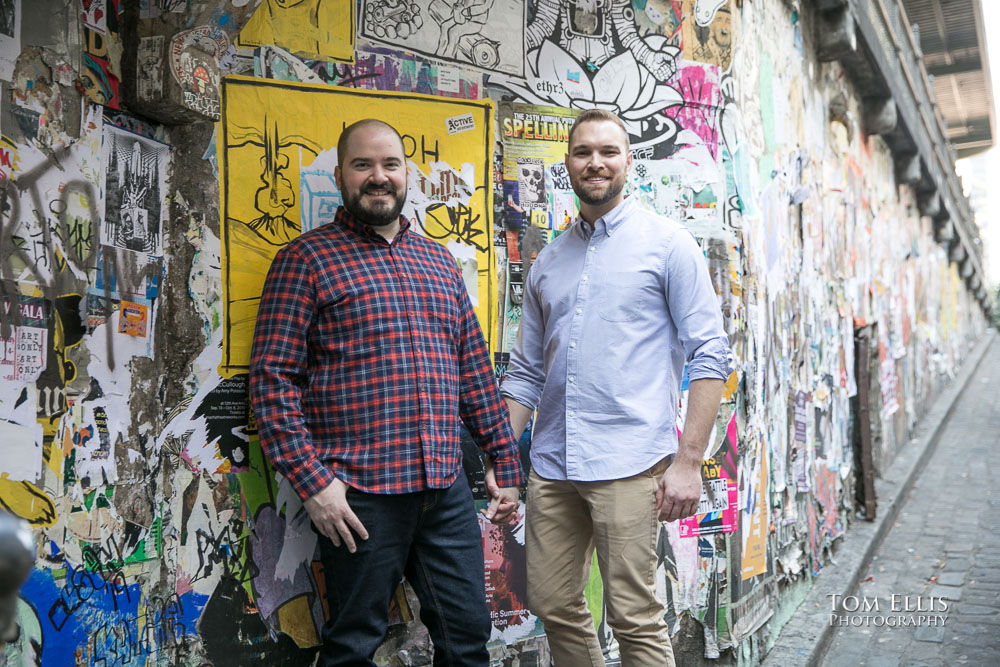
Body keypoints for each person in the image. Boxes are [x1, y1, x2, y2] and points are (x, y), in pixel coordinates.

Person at [250, 118, 524, 667]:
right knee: (354, 644)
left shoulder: (440, 263)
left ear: (407, 175)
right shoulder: (306, 260)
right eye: (363, 165)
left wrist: (504, 462)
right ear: (341, 176)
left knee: (468, 637)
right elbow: (272, 384)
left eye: (390, 165)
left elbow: (472, 371)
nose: (379, 177)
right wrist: (314, 486)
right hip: (359, 496)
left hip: (443, 490)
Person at [496, 109, 732, 666]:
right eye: (583, 152)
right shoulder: (548, 261)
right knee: (552, 602)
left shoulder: (667, 245)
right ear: (569, 163)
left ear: (629, 160)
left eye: (608, 151)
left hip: (631, 463)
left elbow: (710, 353)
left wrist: (689, 461)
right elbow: (527, 373)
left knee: (633, 616)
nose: (595, 162)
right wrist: (505, 462)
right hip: (553, 466)